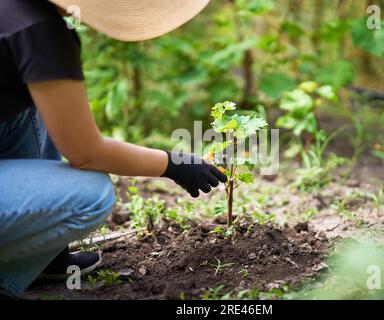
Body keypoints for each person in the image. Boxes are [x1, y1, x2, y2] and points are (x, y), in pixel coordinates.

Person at [0, 0, 226, 299]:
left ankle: (43, 255)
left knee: (35, 105)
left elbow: (65, 125)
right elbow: (86, 152)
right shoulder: (40, 30)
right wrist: (173, 164)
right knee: (91, 194)